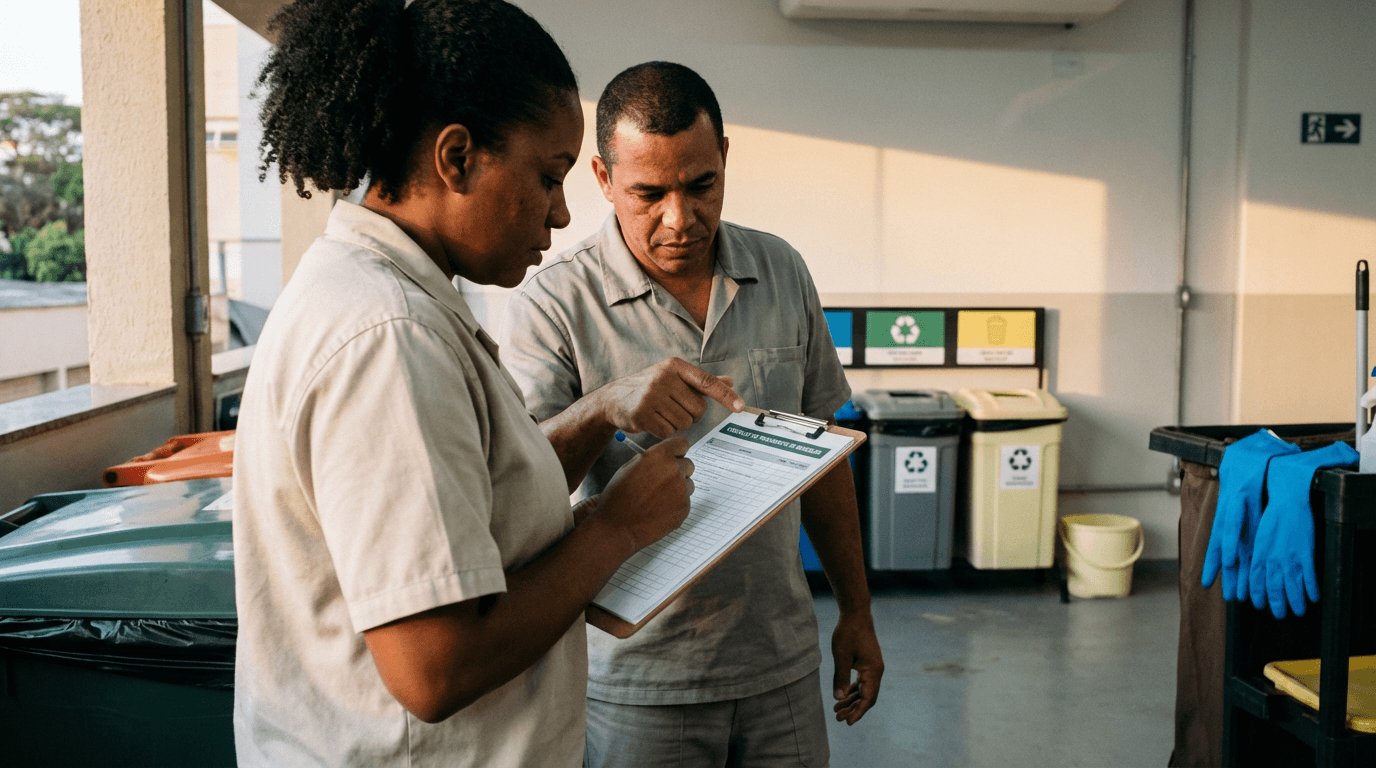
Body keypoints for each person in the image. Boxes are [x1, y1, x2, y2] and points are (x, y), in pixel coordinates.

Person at [231, 4, 727, 766]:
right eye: (549, 177)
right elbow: (435, 666)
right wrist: (614, 529)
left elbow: (477, 505)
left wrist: (596, 418)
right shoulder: (388, 337)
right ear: (457, 157)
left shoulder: (386, 294)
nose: (562, 214)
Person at [501, 61, 885, 767]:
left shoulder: (781, 270)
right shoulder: (554, 304)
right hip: (640, 677)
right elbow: (522, 493)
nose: (680, 218)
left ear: (726, 159)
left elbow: (823, 454)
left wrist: (856, 610)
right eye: (649, 193)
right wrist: (602, 409)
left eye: (701, 185)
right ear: (602, 178)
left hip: (780, 661)